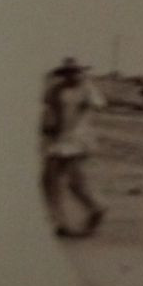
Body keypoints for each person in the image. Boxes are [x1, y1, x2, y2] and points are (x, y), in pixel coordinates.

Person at [39, 57, 108, 237]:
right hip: (60, 139)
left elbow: (100, 104)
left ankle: (96, 208)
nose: (72, 76)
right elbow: (48, 109)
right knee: (49, 180)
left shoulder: (86, 89)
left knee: (73, 181)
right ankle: (61, 221)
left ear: (81, 73)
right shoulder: (56, 90)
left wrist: (86, 86)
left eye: (76, 72)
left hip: (77, 140)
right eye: (68, 73)